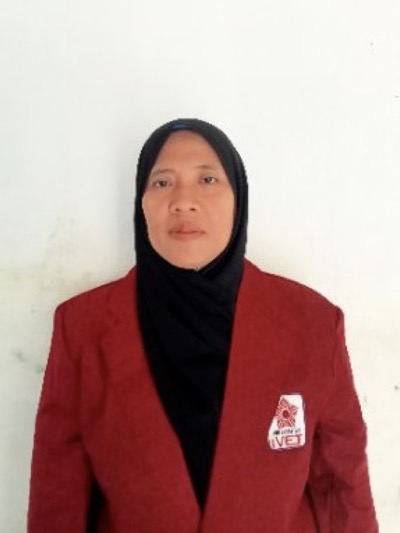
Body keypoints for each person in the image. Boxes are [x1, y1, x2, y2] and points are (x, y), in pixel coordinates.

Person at [28, 118, 378, 532]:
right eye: (162, 182)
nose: (183, 201)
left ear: (238, 198)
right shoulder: (82, 328)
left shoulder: (312, 323)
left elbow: (342, 486)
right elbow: (59, 495)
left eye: (208, 179)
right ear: (140, 203)